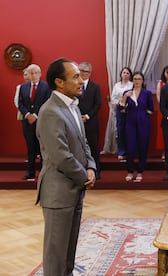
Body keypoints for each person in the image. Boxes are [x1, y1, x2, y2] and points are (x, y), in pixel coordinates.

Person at [36, 58, 96, 276]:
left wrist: (91, 167)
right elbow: (61, 156)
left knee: (68, 252)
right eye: (76, 76)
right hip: (58, 193)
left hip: (74, 189)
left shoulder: (71, 106)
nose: (81, 81)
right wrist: (84, 176)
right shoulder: (50, 111)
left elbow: (83, 142)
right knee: (56, 255)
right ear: (59, 83)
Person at [18, 64, 51, 181]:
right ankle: (30, 173)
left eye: (35, 73)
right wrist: (28, 115)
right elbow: (20, 103)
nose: (33, 75)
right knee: (30, 148)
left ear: (40, 74)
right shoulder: (23, 87)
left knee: (42, 148)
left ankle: (44, 173)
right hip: (27, 122)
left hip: (41, 121)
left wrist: (36, 115)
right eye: (31, 73)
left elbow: (47, 102)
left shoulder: (46, 87)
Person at [119, 72, 154, 182]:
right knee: (130, 147)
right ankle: (130, 171)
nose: (137, 81)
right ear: (132, 80)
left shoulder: (147, 93)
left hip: (143, 122)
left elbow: (151, 109)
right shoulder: (127, 92)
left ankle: (140, 172)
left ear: (142, 80)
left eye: (139, 79)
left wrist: (142, 114)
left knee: (143, 146)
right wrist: (125, 97)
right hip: (130, 122)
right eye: (135, 79)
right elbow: (121, 109)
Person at [78, 62, 102, 179]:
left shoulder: (95, 87)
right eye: (81, 71)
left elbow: (98, 104)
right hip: (76, 122)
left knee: (93, 147)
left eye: (86, 71)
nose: (83, 73)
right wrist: (78, 116)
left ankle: (96, 171)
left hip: (91, 122)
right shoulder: (74, 85)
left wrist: (87, 116)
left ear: (90, 73)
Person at [110, 67, 133, 161]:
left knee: (130, 131)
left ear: (130, 75)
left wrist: (127, 106)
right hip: (119, 111)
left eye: (127, 73)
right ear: (121, 74)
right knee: (120, 131)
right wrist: (120, 105)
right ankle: (121, 152)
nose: (125, 74)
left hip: (130, 111)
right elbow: (113, 98)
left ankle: (131, 152)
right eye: (124, 72)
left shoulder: (132, 85)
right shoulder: (116, 85)